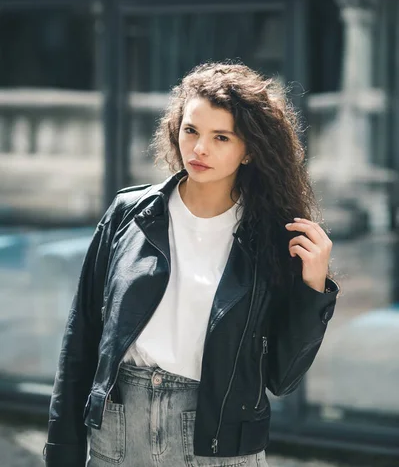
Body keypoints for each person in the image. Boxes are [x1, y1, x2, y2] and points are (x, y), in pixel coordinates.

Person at [43, 62, 339, 467]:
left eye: (221, 137)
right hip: (118, 432)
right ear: (175, 128)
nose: (199, 149)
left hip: (217, 439)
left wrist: (312, 288)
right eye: (191, 130)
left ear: (249, 150)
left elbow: (282, 378)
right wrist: (62, 449)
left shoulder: (273, 238)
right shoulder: (129, 213)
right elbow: (81, 339)